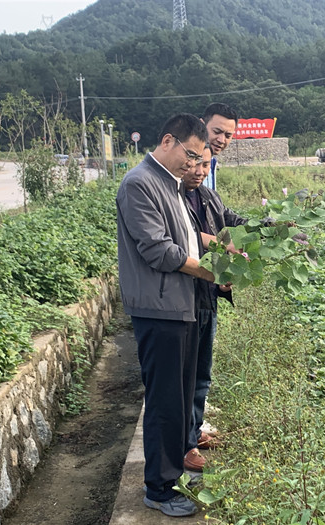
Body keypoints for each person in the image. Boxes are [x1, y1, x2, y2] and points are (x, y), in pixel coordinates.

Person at [116, 113, 228, 518]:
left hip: (178, 306)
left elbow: (187, 236)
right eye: (192, 155)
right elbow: (159, 249)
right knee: (165, 401)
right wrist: (212, 272)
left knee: (181, 398)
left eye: (201, 158)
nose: (196, 164)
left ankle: (175, 469)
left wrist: (221, 248)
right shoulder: (139, 184)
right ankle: (159, 489)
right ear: (168, 141)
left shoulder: (171, 185)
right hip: (158, 309)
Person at [181, 144, 248, 471]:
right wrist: (222, 246)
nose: (200, 170)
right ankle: (184, 444)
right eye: (195, 162)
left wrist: (272, 225)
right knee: (183, 377)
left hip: (206, 297)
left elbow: (230, 225)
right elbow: (188, 240)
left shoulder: (208, 198)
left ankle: (194, 433)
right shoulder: (173, 198)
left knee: (201, 376)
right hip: (181, 301)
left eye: (206, 164)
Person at [201, 103, 239, 191]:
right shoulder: (184, 165)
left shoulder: (212, 163)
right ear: (201, 125)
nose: (221, 140)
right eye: (217, 132)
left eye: (228, 136)